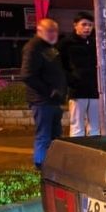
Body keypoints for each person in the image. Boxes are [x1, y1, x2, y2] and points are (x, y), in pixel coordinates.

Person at [20, 18, 67, 169]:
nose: (53, 34)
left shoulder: (50, 48)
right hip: (42, 100)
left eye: (55, 31)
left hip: (53, 100)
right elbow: (27, 75)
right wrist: (49, 91)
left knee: (55, 135)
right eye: (49, 31)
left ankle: (53, 162)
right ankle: (40, 164)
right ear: (39, 31)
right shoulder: (33, 48)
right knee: (44, 134)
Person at [59, 11, 101, 137]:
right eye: (84, 24)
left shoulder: (96, 43)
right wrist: (71, 80)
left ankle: (95, 150)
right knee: (77, 125)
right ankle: (77, 152)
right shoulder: (66, 43)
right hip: (77, 90)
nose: (87, 28)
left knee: (95, 125)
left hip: (94, 89)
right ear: (75, 25)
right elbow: (60, 66)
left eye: (90, 25)